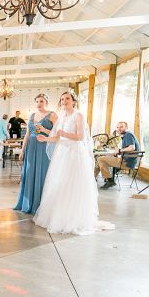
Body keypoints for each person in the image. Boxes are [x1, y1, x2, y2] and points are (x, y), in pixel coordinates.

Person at [33, 92, 115, 235]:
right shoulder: (62, 117)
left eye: (67, 98)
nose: (64, 101)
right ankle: (60, 216)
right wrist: (45, 139)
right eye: (62, 98)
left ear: (73, 101)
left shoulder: (78, 116)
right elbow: (56, 138)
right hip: (62, 154)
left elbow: (80, 136)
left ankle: (74, 218)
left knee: (72, 184)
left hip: (75, 154)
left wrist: (63, 134)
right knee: (60, 184)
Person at [14, 94, 56, 214]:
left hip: (44, 147)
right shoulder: (32, 115)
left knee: (42, 173)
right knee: (30, 172)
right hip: (31, 148)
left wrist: (43, 130)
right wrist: (22, 151)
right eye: (37, 101)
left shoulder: (52, 115)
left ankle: (41, 205)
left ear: (46, 102)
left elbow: (56, 134)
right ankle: (28, 202)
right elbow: (27, 134)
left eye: (41, 101)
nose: (39, 103)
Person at [95, 121, 141, 189]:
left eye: (121, 127)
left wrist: (119, 150)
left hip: (126, 162)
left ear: (126, 127)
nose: (119, 129)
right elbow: (128, 149)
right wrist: (119, 152)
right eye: (117, 127)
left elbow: (132, 147)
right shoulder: (126, 135)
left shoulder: (128, 135)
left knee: (100, 159)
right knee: (101, 160)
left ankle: (110, 181)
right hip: (127, 161)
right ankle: (93, 178)